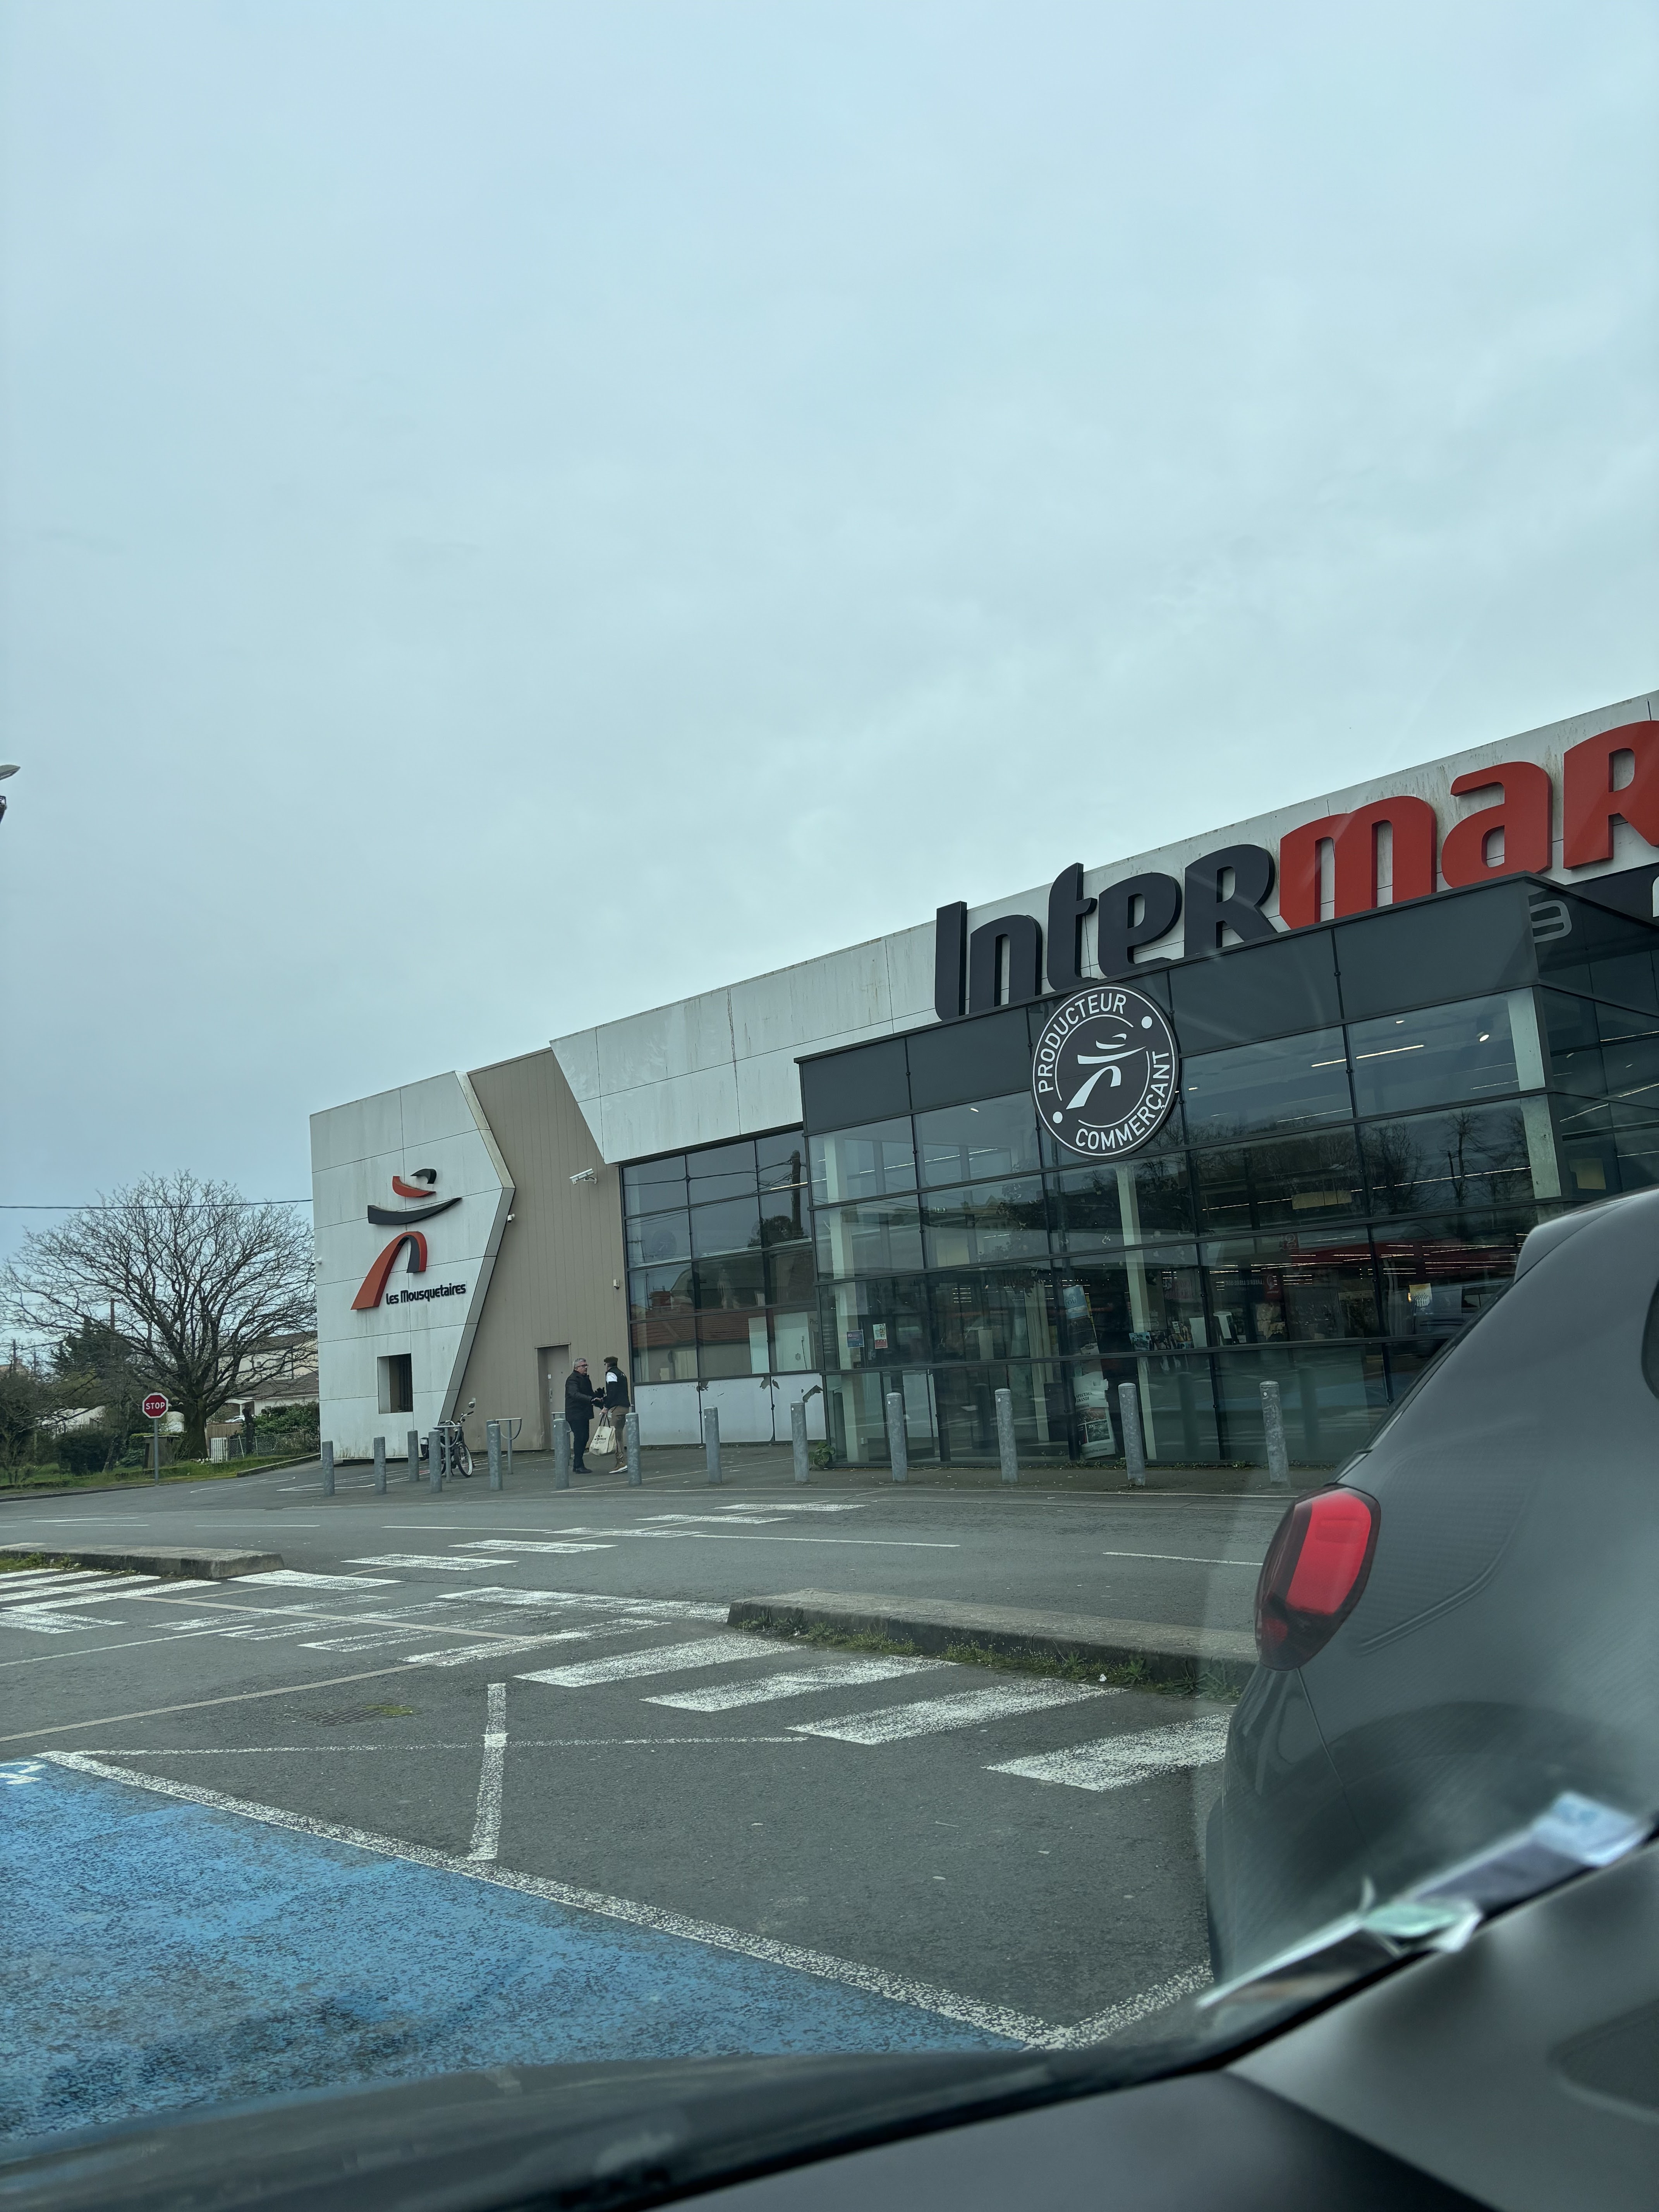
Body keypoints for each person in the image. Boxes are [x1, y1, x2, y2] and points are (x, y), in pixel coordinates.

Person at [564, 1357, 596, 1472]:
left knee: (585, 1438)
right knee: (580, 1438)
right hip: (575, 1413)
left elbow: (589, 1394)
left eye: (586, 1365)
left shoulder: (585, 1379)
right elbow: (574, 1394)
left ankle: (578, 1464)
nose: (586, 1367)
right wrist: (591, 1399)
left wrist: (598, 1399)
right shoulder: (572, 1380)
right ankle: (578, 1465)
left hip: (583, 1413)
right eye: (583, 1366)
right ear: (576, 1368)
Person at [602, 1355, 630, 1454]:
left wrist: (606, 1407)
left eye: (605, 1364)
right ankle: (622, 1458)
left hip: (616, 1409)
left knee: (615, 1436)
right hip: (625, 1407)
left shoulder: (611, 1374)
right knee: (619, 1435)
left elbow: (612, 1392)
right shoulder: (622, 1374)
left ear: (608, 1364)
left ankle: (620, 1460)